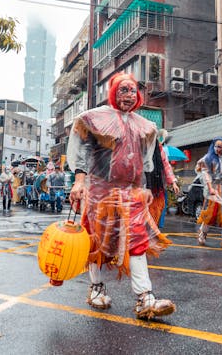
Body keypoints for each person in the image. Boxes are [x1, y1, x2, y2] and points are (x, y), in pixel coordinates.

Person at [67, 72, 175, 320]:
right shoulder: (94, 118)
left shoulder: (145, 126)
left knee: (137, 240)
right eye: (123, 90)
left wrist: (145, 190)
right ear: (113, 92)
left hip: (131, 193)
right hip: (99, 193)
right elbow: (81, 149)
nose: (128, 95)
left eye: (132, 91)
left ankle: (145, 298)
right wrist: (79, 181)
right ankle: (96, 288)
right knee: (97, 241)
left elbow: (145, 162)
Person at [146, 129, 180, 228]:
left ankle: (153, 232)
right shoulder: (140, 146)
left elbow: (166, 165)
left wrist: (173, 182)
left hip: (157, 186)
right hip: (142, 187)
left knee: (157, 211)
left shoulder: (159, 148)